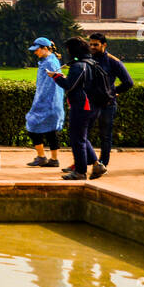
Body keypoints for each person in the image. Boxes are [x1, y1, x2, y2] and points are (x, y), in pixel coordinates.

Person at [48, 37, 109, 180]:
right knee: (83, 137)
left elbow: (70, 85)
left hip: (82, 106)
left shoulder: (79, 66)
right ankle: (96, 164)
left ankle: (80, 172)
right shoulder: (92, 63)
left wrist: (56, 77)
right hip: (94, 106)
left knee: (77, 139)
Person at [87, 33, 133, 171]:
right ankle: (84, 161)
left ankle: (103, 163)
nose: (92, 47)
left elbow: (128, 82)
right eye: (91, 44)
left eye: (96, 44)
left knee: (105, 135)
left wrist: (113, 93)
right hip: (91, 102)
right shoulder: (89, 59)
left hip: (107, 104)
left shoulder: (113, 61)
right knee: (83, 134)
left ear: (104, 45)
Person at [24, 37, 64, 167]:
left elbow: (48, 86)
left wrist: (39, 101)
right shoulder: (51, 60)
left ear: (45, 49)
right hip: (53, 102)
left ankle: (42, 157)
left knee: (33, 125)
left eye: (37, 50)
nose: (35, 52)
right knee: (50, 131)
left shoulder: (49, 63)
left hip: (47, 102)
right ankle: (52, 159)